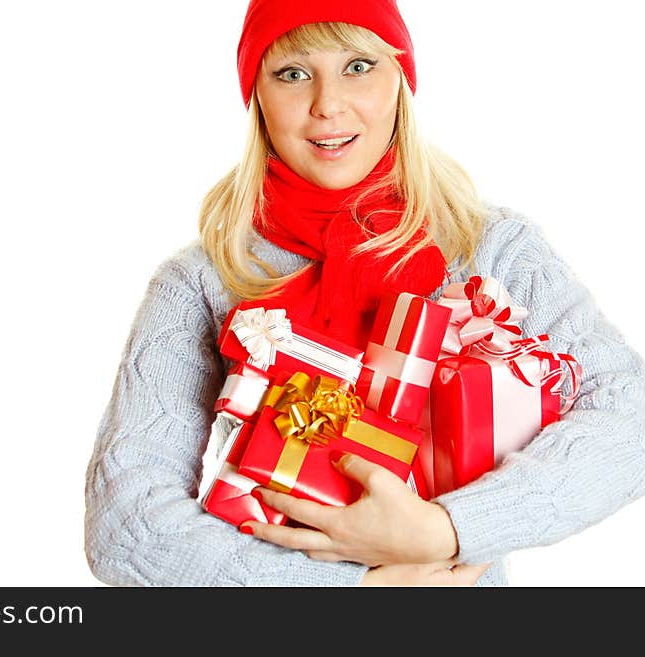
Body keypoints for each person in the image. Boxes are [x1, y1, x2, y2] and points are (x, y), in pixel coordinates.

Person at [83, 0, 645, 586]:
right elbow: (126, 525)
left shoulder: (492, 247)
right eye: (293, 73)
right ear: (256, 97)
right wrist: (357, 592)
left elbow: (632, 416)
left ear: (400, 81)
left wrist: (444, 530)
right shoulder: (204, 281)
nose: (328, 104)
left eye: (359, 66)